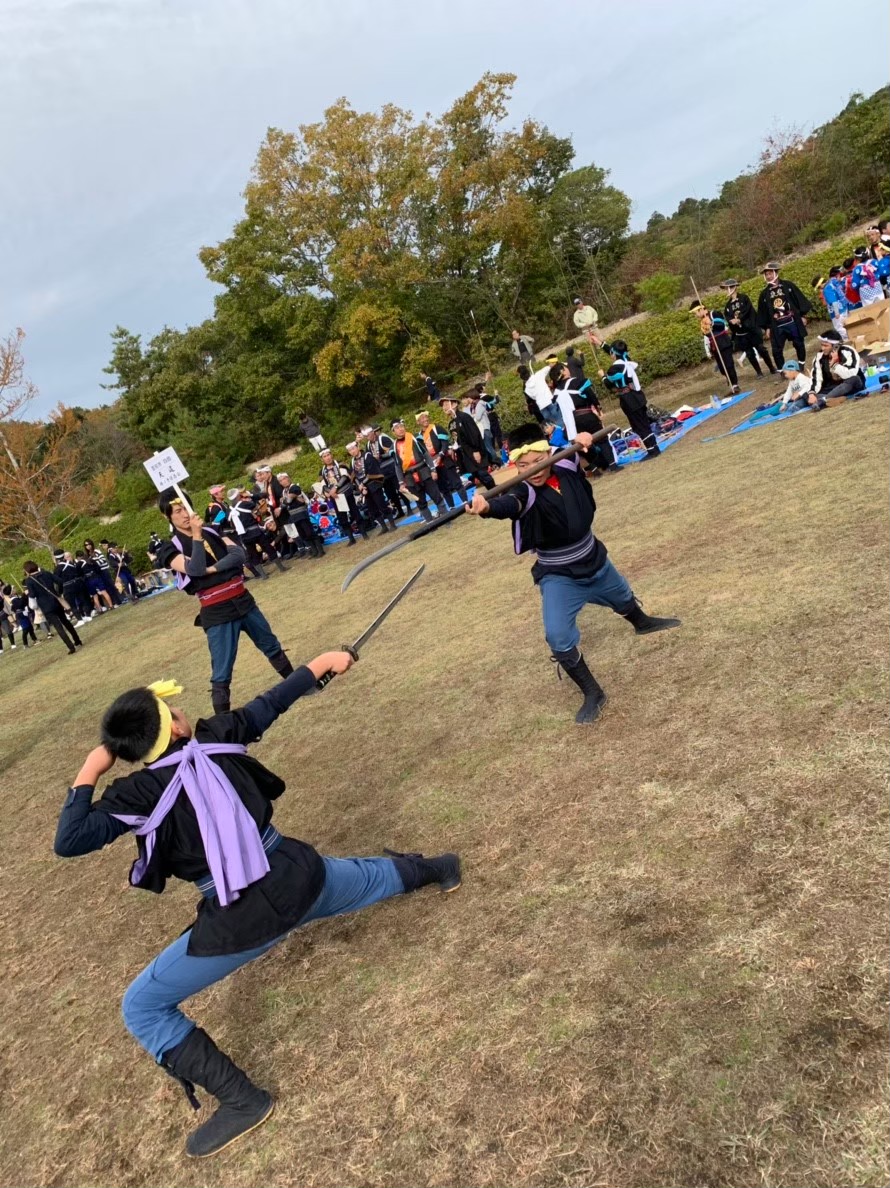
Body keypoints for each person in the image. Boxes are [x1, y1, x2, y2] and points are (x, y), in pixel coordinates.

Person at [54, 666, 461, 1159]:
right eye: (175, 710)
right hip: (300, 876)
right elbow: (273, 701)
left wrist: (91, 768)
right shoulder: (217, 734)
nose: (182, 711)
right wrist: (320, 665)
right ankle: (442, 868)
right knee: (369, 876)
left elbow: (70, 839)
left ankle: (243, 1102)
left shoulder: (134, 793)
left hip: (241, 920)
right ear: (177, 727)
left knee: (141, 1006)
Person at [465, 424, 680, 724]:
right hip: (559, 575)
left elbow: (594, 461)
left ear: (549, 454)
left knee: (622, 595)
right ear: (515, 466)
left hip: (594, 557)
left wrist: (586, 444)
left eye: (538, 461)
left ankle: (642, 624)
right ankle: (593, 692)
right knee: (558, 635)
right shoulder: (523, 490)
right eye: (523, 466)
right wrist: (487, 507)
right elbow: (508, 505)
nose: (532, 470)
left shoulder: (566, 462)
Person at [153, 490, 294, 713]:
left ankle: (297, 686)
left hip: (243, 599)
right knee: (222, 670)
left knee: (271, 646)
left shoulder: (212, 529)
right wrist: (196, 537)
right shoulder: (170, 548)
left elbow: (239, 555)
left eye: (186, 508)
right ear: (167, 516)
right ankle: (223, 719)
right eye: (178, 511)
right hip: (217, 611)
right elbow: (194, 569)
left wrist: (211, 569)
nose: (185, 515)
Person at [593, 337, 661, 461]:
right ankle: (654, 447)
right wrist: (599, 343)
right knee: (644, 423)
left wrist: (602, 376)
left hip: (629, 399)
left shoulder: (614, 369)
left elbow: (610, 385)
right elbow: (614, 352)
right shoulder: (626, 360)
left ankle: (652, 450)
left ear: (614, 354)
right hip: (637, 395)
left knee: (639, 425)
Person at [550, 361, 620, 473]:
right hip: (586, 415)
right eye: (565, 367)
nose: (568, 369)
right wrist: (598, 408)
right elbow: (591, 396)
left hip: (572, 423)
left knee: (584, 445)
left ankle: (602, 465)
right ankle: (613, 465)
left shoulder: (556, 392)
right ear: (562, 371)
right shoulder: (579, 382)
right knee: (602, 440)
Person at [756, 262, 811, 369]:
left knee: (798, 343)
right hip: (777, 327)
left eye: (770, 273)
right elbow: (763, 312)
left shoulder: (788, 286)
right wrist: (767, 327)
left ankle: (801, 364)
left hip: (792, 323)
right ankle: (781, 370)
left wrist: (803, 315)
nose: (768, 276)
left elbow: (799, 299)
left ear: (776, 273)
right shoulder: (764, 294)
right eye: (766, 274)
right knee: (776, 350)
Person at [22, 560, 83, 655]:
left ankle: (70, 646)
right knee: (65, 621)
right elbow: (60, 581)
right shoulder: (46, 573)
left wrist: (30, 596)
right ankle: (77, 640)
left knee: (58, 626)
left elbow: (32, 595)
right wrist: (58, 592)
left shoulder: (29, 581)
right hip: (56, 600)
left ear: (27, 570)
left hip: (45, 605)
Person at [391, 420, 448, 523]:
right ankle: (430, 523)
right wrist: (401, 483)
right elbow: (397, 466)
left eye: (401, 426)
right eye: (397, 428)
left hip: (424, 471)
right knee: (420, 502)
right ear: (393, 432)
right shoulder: (393, 447)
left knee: (436, 495)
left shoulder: (415, 438)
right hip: (409, 477)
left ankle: (446, 518)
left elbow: (426, 454)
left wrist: (433, 469)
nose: (400, 429)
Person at [438, 394, 495, 490]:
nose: (444, 407)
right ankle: (492, 491)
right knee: (476, 474)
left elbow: (474, 434)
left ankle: (496, 490)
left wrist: (476, 450)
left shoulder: (464, 417)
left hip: (474, 451)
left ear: (454, 404)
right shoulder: (452, 423)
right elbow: (456, 439)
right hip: (465, 454)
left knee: (482, 473)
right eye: (443, 406)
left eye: (446, 404)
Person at [721, 279, 776, 377]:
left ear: (734, 287)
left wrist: (740, 319)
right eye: (726, 288)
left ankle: (771, 368)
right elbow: (728, 316)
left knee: (761, 349)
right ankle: (759, 372)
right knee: (749, 353)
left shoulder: (744, 298)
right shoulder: (728, 306)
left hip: (752, 330)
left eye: (729, 288)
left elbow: (748, 311)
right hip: (741, 334)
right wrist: (732, 321)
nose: (728, 290)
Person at [414, 409, 467, 507]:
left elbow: (445, 443)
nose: (425, 419)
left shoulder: (436, 428)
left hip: (444, 460)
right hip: (433, 464)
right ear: (418, 422)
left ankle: (465, 501)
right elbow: (422, 452)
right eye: (422, 418)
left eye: (426, 417)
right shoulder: (418, 437)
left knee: (456, 482)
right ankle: (451, 506)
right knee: (443, 488)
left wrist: (441, 455)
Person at [319, 449, 369, 545]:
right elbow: (323, 485)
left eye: (328, 455)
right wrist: (330, 492)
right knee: (342, 518)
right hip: (335, 497)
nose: (327, 458)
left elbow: (344, 477)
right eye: (324, 456)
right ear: (322, 459)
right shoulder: (322, 471)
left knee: (355, 513)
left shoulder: (340, 465)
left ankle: (364, 533)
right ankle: (351, 538)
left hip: (346, 493)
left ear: (331, 455)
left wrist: (335, 488)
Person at [361, 426, 412, 518]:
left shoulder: (382, 439)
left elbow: (393, 451)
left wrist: (381, 456)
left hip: (392, 468)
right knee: (390, 493)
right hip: (382, 473)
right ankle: (400, 510)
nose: (367, 437)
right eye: (365, 436)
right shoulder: (368, 445)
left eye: (368, 435)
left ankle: (409, 507)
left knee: (400, 489)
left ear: (372, 432)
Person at [345, 443, 396, 535]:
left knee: (382, 505)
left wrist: (363, 484)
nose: (352, 451)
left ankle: (392, 524)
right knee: (372, 509)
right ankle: (384, 527)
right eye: (350, 450)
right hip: (364, 489)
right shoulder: (352, 462)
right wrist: (360, 486)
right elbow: (354, 476)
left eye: (353, 448)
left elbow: (373, 471)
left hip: (373, 485)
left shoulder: (367, 456)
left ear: (358, 447)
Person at [691, 301, 741, 393]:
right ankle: (730, 382)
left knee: (728, 365)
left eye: (695, 313)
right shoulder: (702, 321)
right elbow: (706, 334)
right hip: (714, 345)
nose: (695, 315)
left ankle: (735, 385)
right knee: (722, 368)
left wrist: (712, 323)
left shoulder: (714, 313)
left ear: (700, 309)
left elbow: (722, 325)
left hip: (723, 342)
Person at [277, 472, 326, 556]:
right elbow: (286, 501)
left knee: (309, 532)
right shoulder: (284, 491)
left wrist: (284, 500)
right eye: (281, 480)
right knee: (303, 534)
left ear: (288, 478)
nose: (283, 481)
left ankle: (320, 550)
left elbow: (288, 501)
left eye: (284, 478)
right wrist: (285, 500)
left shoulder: (294, 487)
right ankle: (314, 551)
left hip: (301, 513)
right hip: (293, 515)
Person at [228, 489, 273, 579]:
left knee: (253, 555)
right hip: (254, 531)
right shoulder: (245, 504)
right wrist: (250, 495)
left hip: (243, 535)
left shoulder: (228, 510)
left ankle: (263, 575)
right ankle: (281, 568)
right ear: (238, 496)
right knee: (268, 547)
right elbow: (256, 505)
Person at [808, 330, 866, 401]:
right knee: (807, 394)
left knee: (854, 379)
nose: (823, 348)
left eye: (826, 346)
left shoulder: (848, 351)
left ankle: (824, 400)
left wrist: (834, 365)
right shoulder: (819, 356)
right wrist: (812, 393)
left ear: (835, 346)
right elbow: (816, 377)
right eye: (822, 345)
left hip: (849, 384)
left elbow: (850, 373)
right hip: (833, 387)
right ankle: (829, 397)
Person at [54, 550, 92, 623]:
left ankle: (80, 620)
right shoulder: (72, 563)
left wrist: (60, 591)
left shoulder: (58, 568)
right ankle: (88, 616)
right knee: (83, 600)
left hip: (68, 587)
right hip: (78, 583)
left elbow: (57, 580)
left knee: (71, 604)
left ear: (56, 558)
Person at [813, 269, 850, 338]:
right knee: (847, 325)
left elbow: (833, 301)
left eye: (818, 287)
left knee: (840, 328)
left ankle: (849, 339)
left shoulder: (827, 289)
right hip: (843, 308)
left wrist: (836, 312)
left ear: (820, 285)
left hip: (837, 311)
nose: (819, 289)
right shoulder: (832, 283)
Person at [467, 389, 497, 465]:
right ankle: (494, 463)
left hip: (484, 429)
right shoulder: (476, 405)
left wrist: (472, 416)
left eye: (468, 398)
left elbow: (478, 417)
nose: (468, 400)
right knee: (488, 447)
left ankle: (498, 462)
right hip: (483, 429)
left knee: (488, 447)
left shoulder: (479, 404)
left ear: (472, 397)